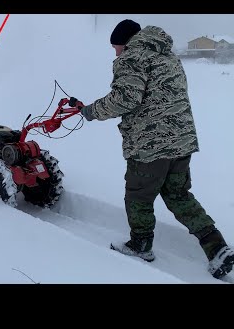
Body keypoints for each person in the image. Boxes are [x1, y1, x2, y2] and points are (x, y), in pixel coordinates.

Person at [79, 19, 234, 279]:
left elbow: (125, 99)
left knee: (138, 196)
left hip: (150, 145)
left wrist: (92, 111)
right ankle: (217, 248)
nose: (116, 53)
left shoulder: (132, 57)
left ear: (125, 42)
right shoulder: (168, 56)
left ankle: (140, 245)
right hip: (181, 142)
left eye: (116, 47)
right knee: (179, 195)